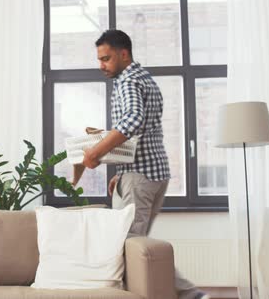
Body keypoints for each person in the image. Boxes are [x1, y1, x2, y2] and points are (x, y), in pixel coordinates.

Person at [81, 29, 210, 299]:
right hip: (153, 173)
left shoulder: (127, 81)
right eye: (99, 59)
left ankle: (191, 295)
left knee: (128, 246)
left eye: (105, 59)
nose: (101, 65)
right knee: (139, 247)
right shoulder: (145, 78)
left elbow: (132, 122)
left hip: (141, 178)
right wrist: (123, 170)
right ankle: (189, 295)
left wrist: (94, 153)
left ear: (123, 53)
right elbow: (141, 130)